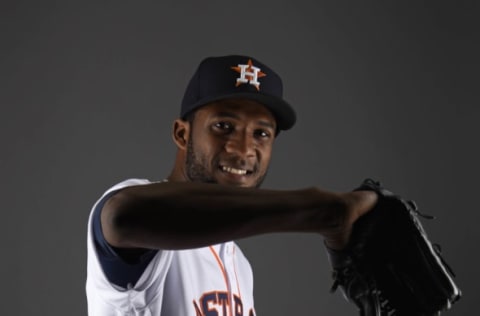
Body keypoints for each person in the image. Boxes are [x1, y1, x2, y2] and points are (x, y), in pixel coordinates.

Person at [85, 55, 378, 316]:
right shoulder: (144, 222)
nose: (243, 149)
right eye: (223, 126)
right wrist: (325, 209)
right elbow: (121, 215)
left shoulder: (240, 266)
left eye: (261, 133)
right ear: (182, 134)